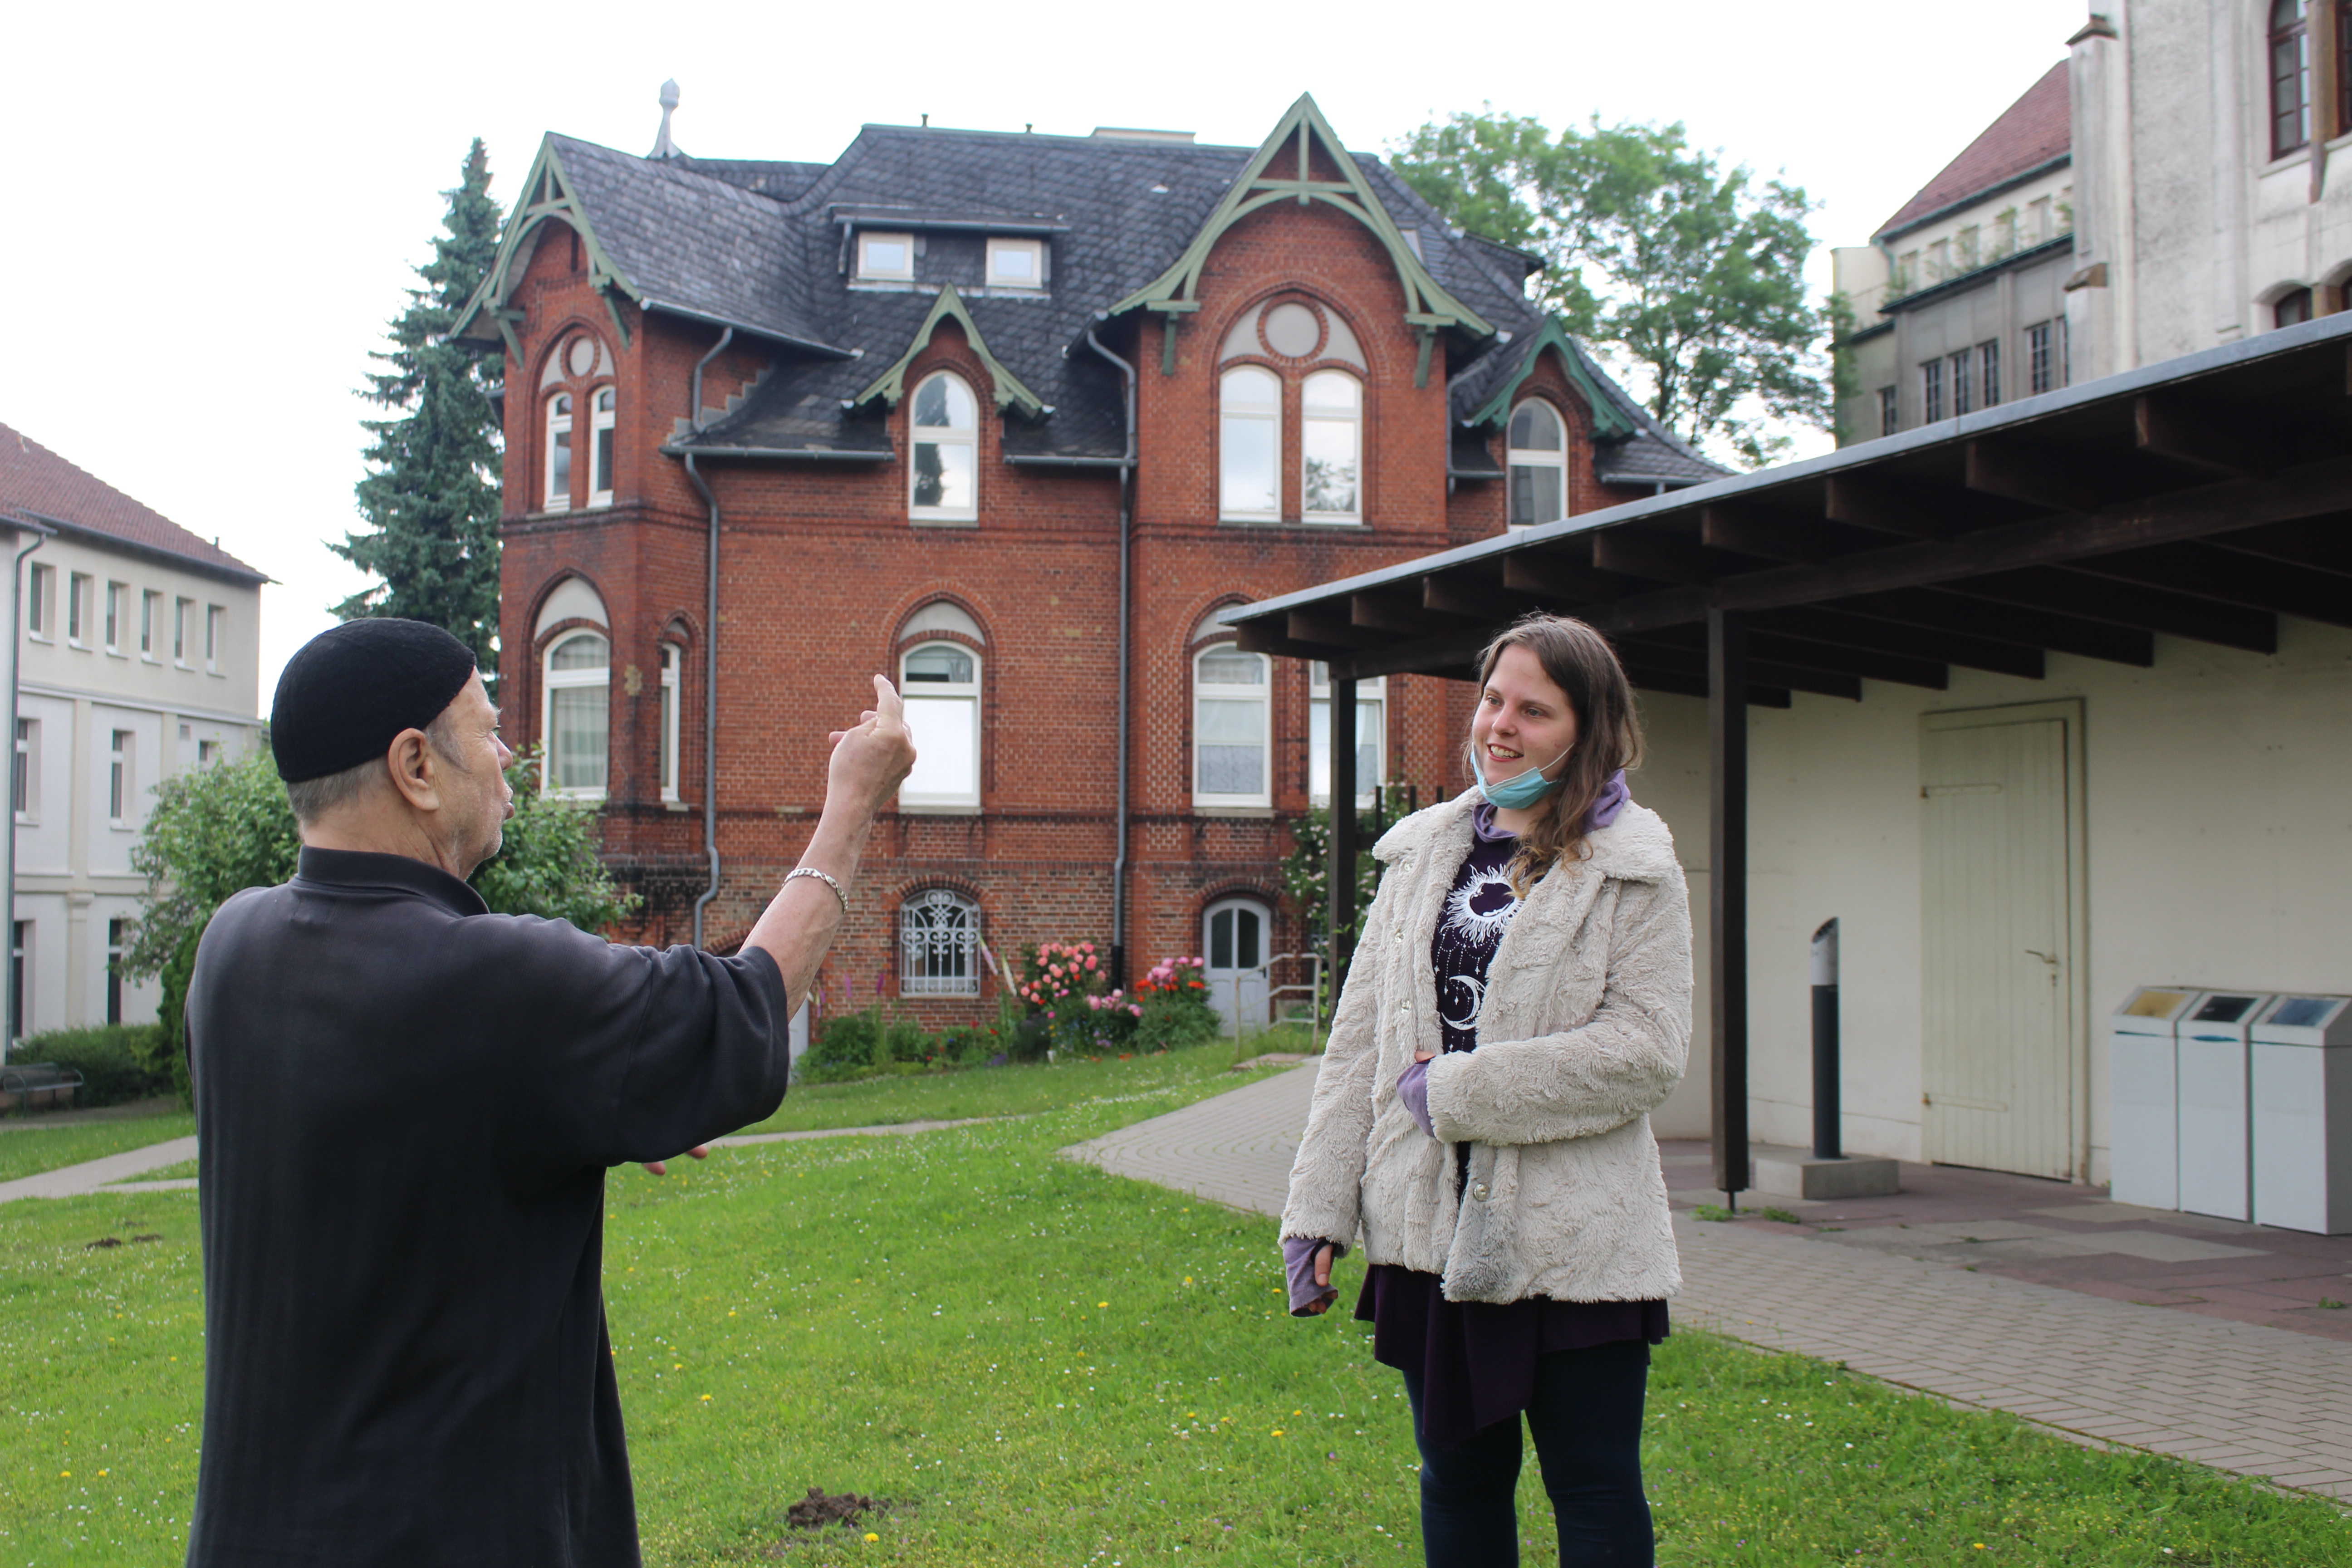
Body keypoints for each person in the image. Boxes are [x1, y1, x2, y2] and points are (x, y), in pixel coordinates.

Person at [182, 617, 914, 1567]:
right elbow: (747, 1003)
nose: (507, 760)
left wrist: (579, 1097)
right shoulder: (494, 981)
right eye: (488, 731)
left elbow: (392, 1111)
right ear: (415, 767)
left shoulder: (233, 950)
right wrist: (851, 806)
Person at [1280, 613, 1692, 1568]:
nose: (1500, 726)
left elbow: (1646, 1052)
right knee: (1457, 1482)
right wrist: (1317, 1210)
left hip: (1573, 1236)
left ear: (1589, 731)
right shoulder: (1422, 853)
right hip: (1431, 1227)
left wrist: (1458, 1091)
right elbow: (1358, 1046)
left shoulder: (1635, 867)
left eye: (1534, 711)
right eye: (1493, 700)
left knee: (1593, 1484)